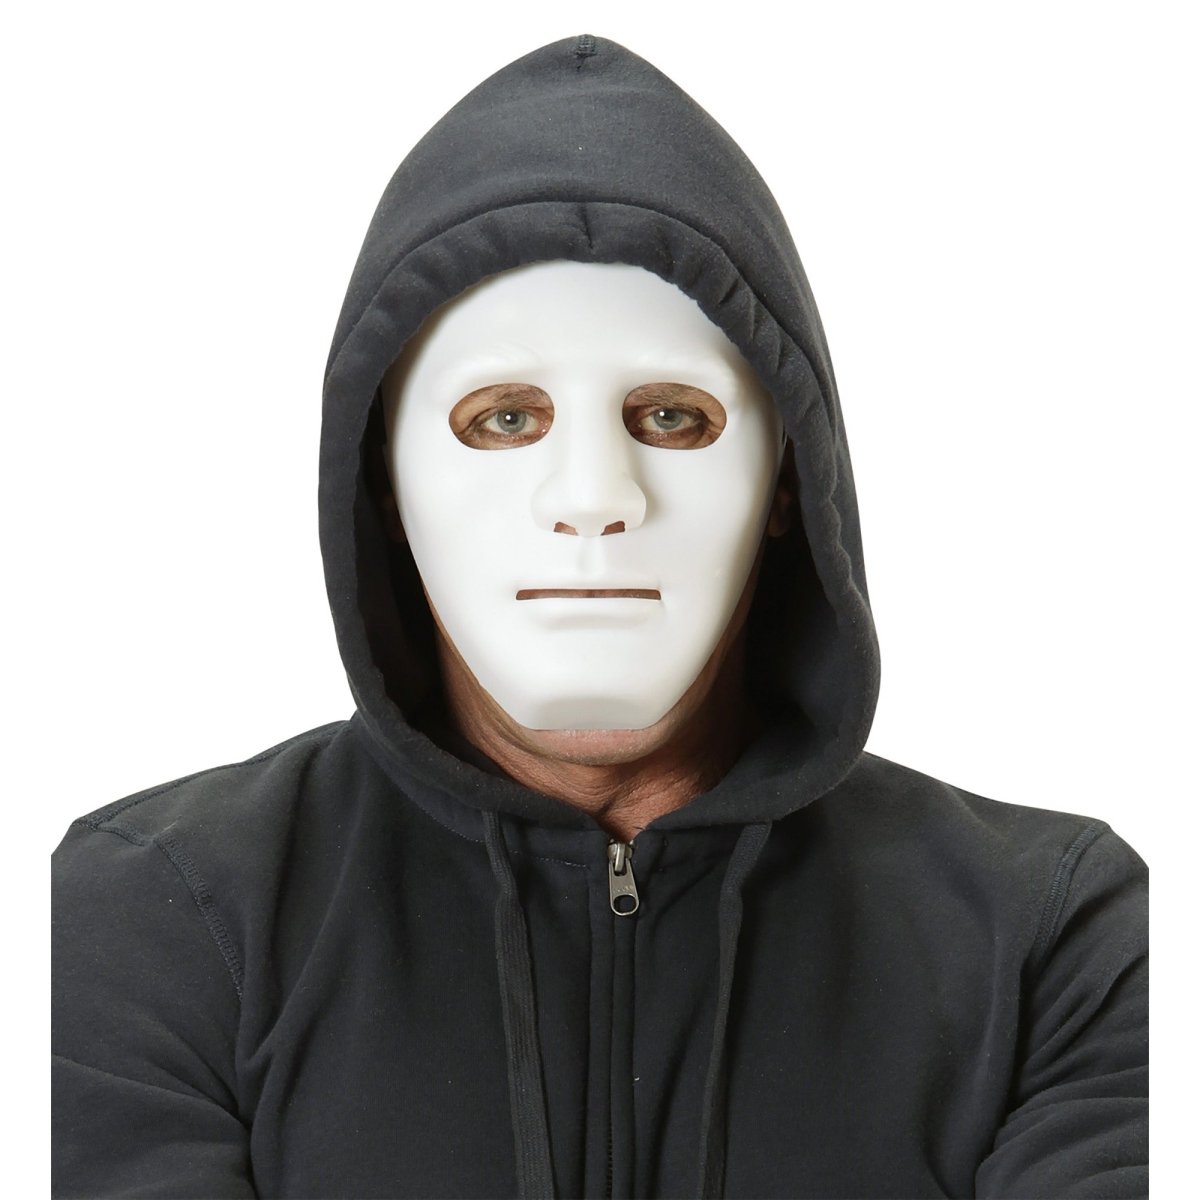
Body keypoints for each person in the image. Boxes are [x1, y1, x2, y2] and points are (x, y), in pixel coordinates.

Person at [51, 34, 1148, 1199]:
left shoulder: (1055, 941)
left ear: (788, 478)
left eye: (672, 417)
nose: (591, 498)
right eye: (503, 418)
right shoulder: (151, 920)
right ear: (385, 483)